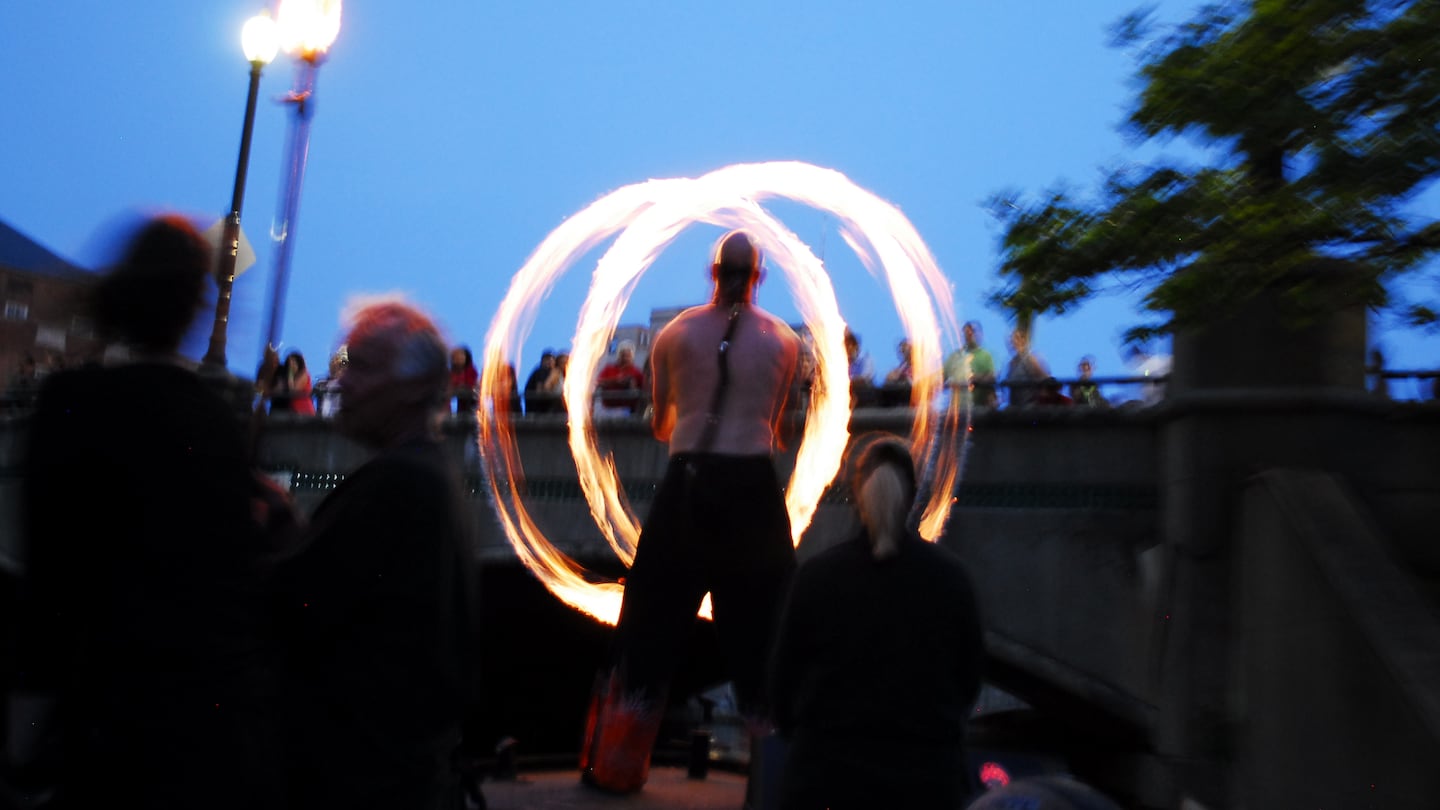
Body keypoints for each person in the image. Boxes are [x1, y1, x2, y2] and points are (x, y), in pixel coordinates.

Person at [16, 215, 286, 808]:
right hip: (199, 735)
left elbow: (49, 585)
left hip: (104, 720)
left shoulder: (71, 406)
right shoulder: (213, 423)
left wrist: (32, 738)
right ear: (193, 309)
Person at [581, 230, 800, 795]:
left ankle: (616, 769)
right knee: (764, 639)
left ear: (711, 272)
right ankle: (775, 781)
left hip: (687, 487)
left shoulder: (674, 336)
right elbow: (778, 429)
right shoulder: (784, 343)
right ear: (760, 277)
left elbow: (660, 424)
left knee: (647, 631)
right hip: (752, 490)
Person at [274, 300, 479, 810]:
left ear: (411, 386)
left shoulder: (395, 485)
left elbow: (288, 608)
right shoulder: (429, 477)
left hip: (362, 782)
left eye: (360, 368)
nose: (341, 383)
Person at [769, 434, 984, 810]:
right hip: (926, 781)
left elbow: (782, 679)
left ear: (855, 494)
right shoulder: (952, 579)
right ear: (913, 495)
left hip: (826, 778)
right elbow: (968, 679)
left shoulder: (817, 576)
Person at [944, 321, 997, 408]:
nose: (970, 334)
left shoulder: (986, 356)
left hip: (978, 409)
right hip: (958, 409)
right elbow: (941, 376)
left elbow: (992, 378)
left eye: (973, 331)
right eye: (967, 332)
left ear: (980, 334)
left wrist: (974, 378)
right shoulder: (955, 356)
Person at [596, 340, 645, 416]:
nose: (625, 358)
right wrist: (615, 381)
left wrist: (632, 385)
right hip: (607, 410)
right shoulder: (608, 369)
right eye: (623, 355)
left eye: (628, 356)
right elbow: (598, 383)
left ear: (632, 357)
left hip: (628, 411)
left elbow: (643, 389)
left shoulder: (636, 372)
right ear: (619, 356)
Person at [1003, 328, 1049, 408]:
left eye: (1016, 338)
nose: (1013, 342)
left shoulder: (1030, 359)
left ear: (1023, 341)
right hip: (1014, 406)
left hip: (1029, 405)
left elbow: (1045, 377)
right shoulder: (1011, 363)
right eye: (1011, 339)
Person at [844, 329, 876, 408]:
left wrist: (846, 381)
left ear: (855, 346)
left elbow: (864, 378)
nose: (846, 349)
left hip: (864, 395)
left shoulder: (866, 359)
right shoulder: (845, 362)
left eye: (848, 345)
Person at [879, 339, 914, 408]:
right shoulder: (902, 366)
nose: (902, 351)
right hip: (900, 391)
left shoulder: (920, 365)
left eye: (904, 347)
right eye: (901, 350)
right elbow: (891, 376)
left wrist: (902, 377)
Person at [523, 350, 557, 415]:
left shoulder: (552, 373)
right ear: (542, 361)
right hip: (537, 410)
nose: (550, 361)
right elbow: (541, 391)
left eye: (552, 359)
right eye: (547, 359)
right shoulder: (540, 372)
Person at [449, 345, 479, 415]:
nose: (459, 358)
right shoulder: (451, 373)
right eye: (456, 356)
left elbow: (471, 384)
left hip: (470, 405)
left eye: (461, 356)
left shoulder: (471, 371)